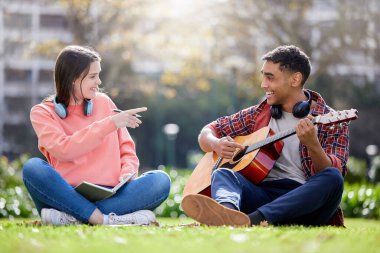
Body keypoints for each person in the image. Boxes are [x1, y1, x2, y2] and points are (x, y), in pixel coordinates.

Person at [182, 45, 349, 227]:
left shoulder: (332, 120)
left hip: (304, 203)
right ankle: (226, 214)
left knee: (333, 177)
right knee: (223, 173)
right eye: (263, 76)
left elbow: (331, 173)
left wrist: (313, 145)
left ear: (295, 79)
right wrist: (215, 144)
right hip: (262, 195)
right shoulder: (259, 113)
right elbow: (208, 131)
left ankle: (253, 220)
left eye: (270, 78)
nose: (263, 84)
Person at [22, 45, 171, 226]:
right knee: (33, 168)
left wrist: (127, 172)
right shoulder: (42, 112)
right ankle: (104, 219)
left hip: (110, 194)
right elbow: (64, 150)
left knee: (160, 181)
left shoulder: (104, 102)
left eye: (98, 75)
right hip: (66, 194)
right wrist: (110, 124)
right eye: (93, 76)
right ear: (73, 79)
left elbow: (127, 149)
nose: (99, 82)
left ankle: (74, 218)